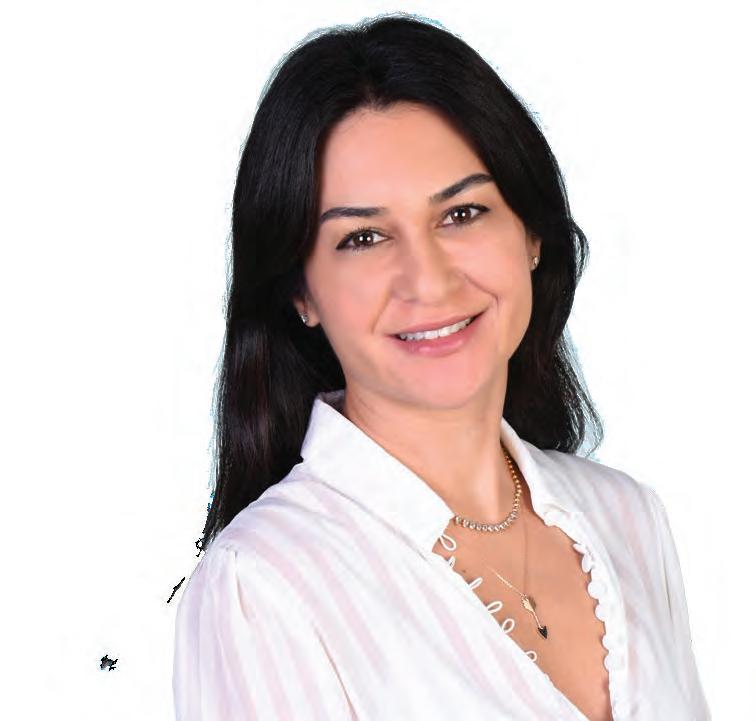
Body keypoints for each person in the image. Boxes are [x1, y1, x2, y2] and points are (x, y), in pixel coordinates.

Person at [172, 13, 711, 721]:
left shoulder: (629, 519)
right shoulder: (263, 586)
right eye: (363, 237)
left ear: (531, 234)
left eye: (462, 213)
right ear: (300, 292)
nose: (427, 280)